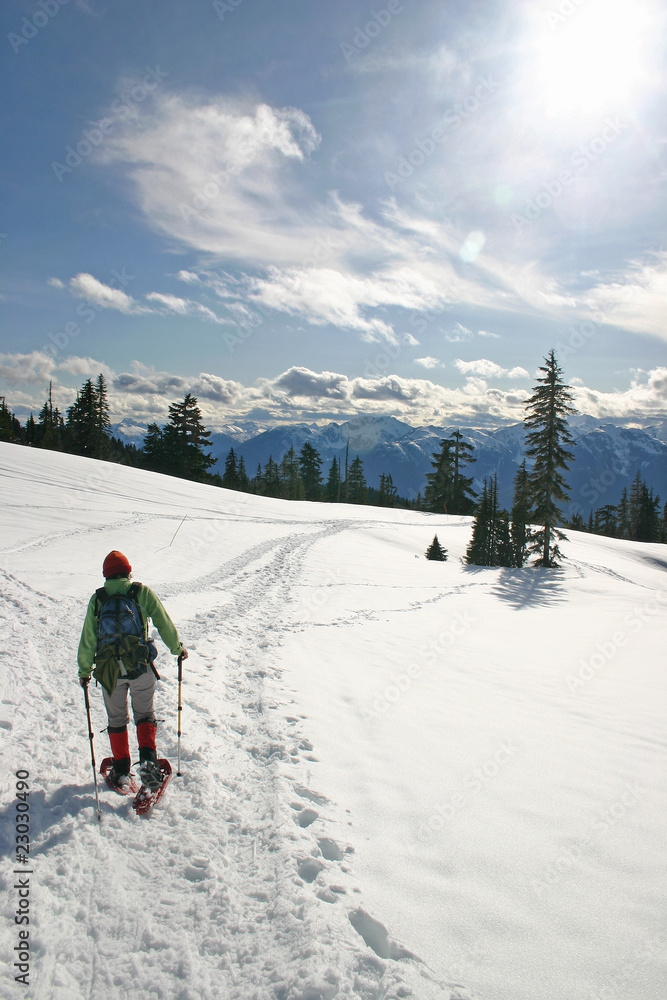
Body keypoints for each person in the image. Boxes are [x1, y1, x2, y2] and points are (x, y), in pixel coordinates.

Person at [78, 550, 187, 790]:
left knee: (116, 719)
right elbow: (163, 622)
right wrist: (177, 648)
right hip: (139, 666)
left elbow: (88, 638)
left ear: (106, 575)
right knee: (144, 714)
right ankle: (148, 761)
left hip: (109, 671)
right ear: (128, 571)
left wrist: (84, 671)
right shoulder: (140, 592)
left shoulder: (98, 599)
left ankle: (121, 770)